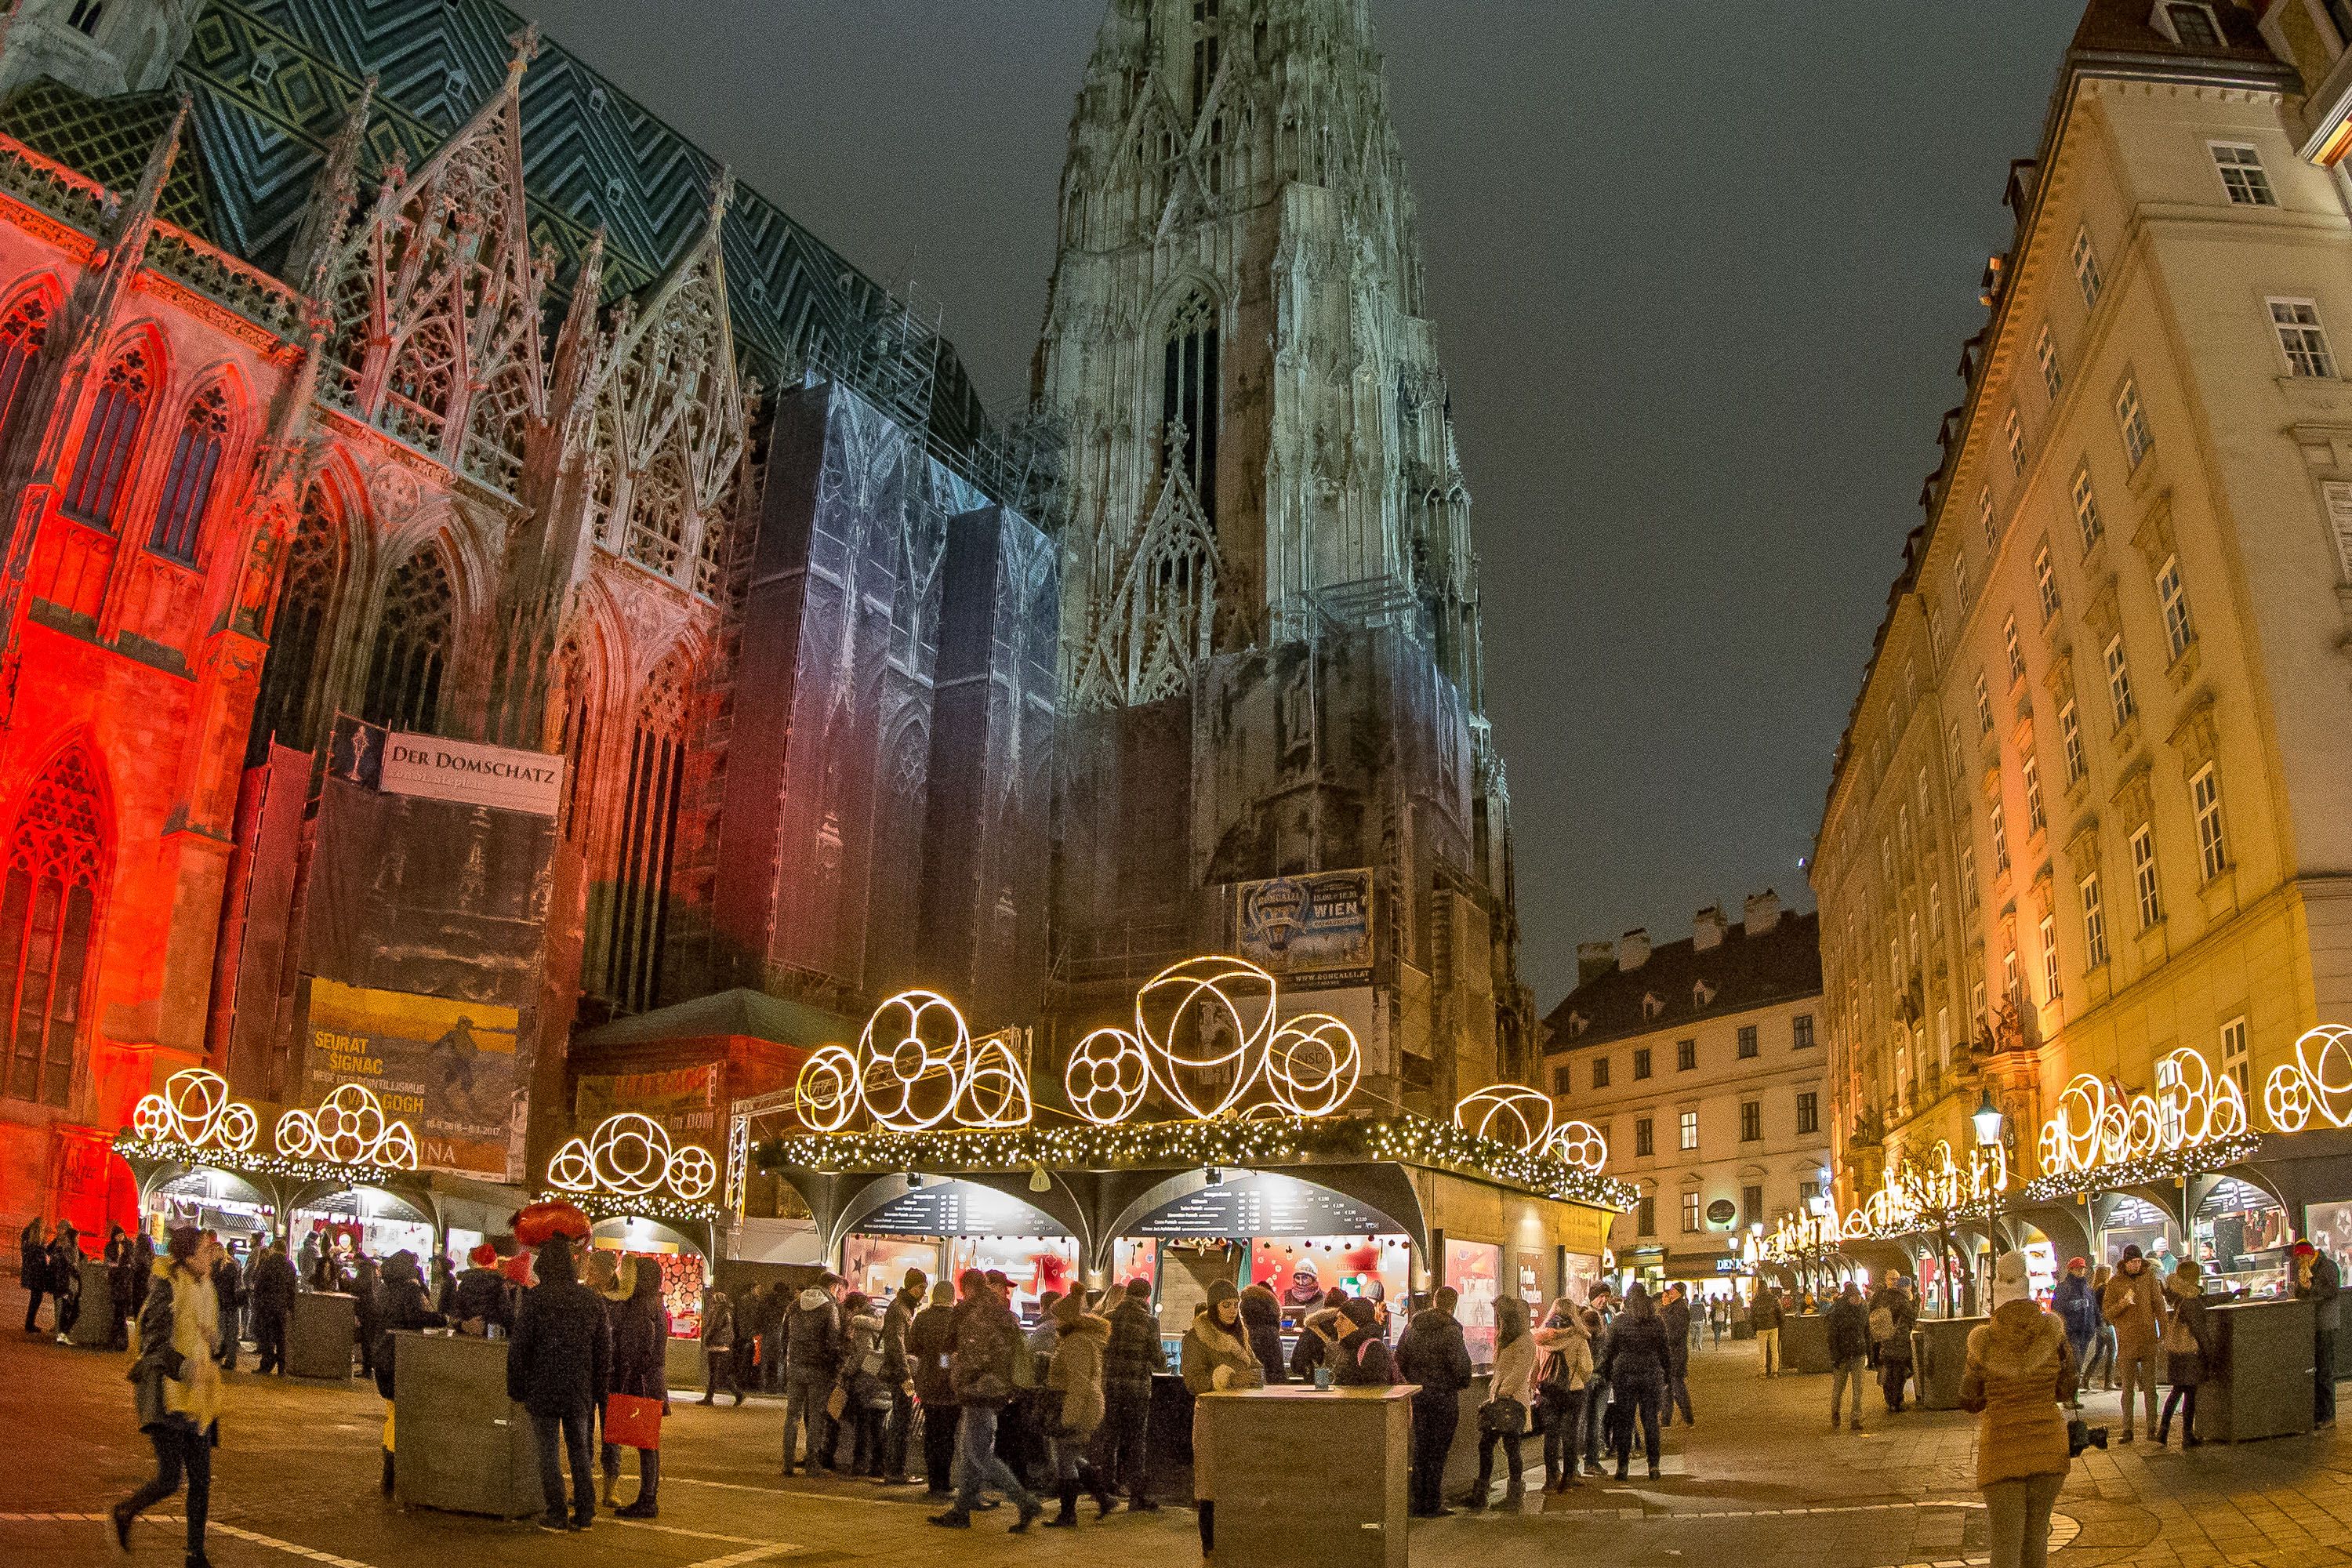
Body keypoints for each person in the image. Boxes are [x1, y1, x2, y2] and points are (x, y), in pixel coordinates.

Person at [111, 1226, 223, 1568]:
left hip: (200, 1398)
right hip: (168, 1394)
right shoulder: (168, 1288)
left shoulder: (207, 1287)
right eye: (205, 1250)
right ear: (188, 1256)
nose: (211, 1256)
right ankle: (125, 1510)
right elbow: (153, 1344)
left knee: (202, 1481)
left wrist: (217, 1342)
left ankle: (195, 1554)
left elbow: (211, 1339)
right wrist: (185, 1367)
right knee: (171, 1478)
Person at [1961, 1251, 2075, 1568]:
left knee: (2006, 1545)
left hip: (2001, 1450)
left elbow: (1969, 1399)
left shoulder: (1983, 1342)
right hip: (2048, 1447)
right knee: (2037, 1539)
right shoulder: (2053, 1333)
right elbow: (2067, 1389)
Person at [508, 1232, 611, 1533]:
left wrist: (517, 1387)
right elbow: (604, 1347)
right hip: (579, 1388)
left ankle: (556, 1512)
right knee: (580, 1449)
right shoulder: (590, 1299)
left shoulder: (536, 1299)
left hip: (543, 1386)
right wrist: (598, 1387)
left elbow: (520, 1347)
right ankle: (585, 1511)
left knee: (548, 1452)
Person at [930, 1267, 1044, 1531]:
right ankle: (961, 1511)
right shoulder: (1004, 1313)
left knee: (978, 1453)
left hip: (974, 1389)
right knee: (973, 1451)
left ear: (965, 1288)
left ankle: (1024, 1501)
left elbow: (947, 1348)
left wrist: (949, 1372)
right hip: (998, 1390)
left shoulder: (967, 1311)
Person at [1176, 1278, 1261, 1552]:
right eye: (1226, 1305)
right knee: (1211, 1484)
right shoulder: (1197, 1337)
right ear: (1214, 1307)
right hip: (1212, 1419)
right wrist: (1229, 1379)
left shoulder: (1240, 1335)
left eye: (1235, 1305)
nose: (1232, 1311)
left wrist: (1255, 1376)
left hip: (1242, 1419)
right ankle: (1210, 1546)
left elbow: (1256, 1367)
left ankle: (1235, 1542)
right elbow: (1193, 1381)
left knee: (1239, 1481)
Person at [1396, 1285, 1475, 1518]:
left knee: (1419, 1448)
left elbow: (1399, 1358)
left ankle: (1415, 1502)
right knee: (1438, 1451)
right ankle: (1431, 1502)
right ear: (1453, 1304)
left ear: (1434, 1301)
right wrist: (1458, 1383)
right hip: (1443, 1398)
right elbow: (1461, 1367)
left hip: (1417, 1397)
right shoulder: (1451, 1330)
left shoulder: (1412, 1326)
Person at [371, 1250, 445, 1493]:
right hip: (400, 1357)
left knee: (392, 1412)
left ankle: (389, 1471)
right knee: (399, 1414)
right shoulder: (410, 1290)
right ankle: (391, 1474)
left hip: (382, 1356)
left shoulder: (384, 1290)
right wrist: (443, 1319)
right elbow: (416, 1318)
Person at [600, 1254, 667, 1518]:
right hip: (648, 1381)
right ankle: (648, 1497)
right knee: (647, 1443)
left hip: (642, 1382)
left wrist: (624, 1375)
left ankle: (648, 1499)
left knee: (646, 1443)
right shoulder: (650, 1303)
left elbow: (637, 1348)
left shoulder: (643, 1306)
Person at [1042, 1286, 1114, 1525]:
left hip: (1078, 1406)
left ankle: (1068, 1513)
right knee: (1071, 1457)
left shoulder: (1076, 1343)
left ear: (1067, 1320)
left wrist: (1068, 1418)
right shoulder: (1078, 1340)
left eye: (1058, 1318)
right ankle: (1103, 1498)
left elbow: (1079, 1385)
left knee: (1064, 1459)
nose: (1055, 1322)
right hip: (1084, 1404)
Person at [1093, 1274, 1163, 1511]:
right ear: (1147, 1296)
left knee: (1109, 1439)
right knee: (1136, 1442)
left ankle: (1104, 1489)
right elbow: (1157, 1358)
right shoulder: (1149, 1322)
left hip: (1110, 1388)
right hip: (1137, 1390)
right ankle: (1137, 1496)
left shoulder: (1108, 1318)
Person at [1462, 1295, 1534, 1510]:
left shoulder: (1524, 1341)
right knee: (1489, 1445)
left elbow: (1519, 1373)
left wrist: (1502, 1392)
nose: (1497, 1320)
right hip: (1500, 1399)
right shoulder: (1508, 1339)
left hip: (1512, 1401)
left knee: (1510, 1447)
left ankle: (1511, 1495)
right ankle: (1484, 1492)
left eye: (1500, 1316)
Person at [1598, 1283, 1671, 1480]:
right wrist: (1667, 1376)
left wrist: (1604, 1374)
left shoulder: (1620, 1323)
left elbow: (1608, 1351)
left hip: (1625, 1377)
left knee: (1624, 1423)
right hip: (1650, 1376)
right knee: (1650, 1423)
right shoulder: (1657, 1322)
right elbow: (1665, 1351)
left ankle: (1622, 1468)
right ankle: (1654, 1467)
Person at [2101, 1244, 2165, 1443]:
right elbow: (2108, 1313)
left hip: (2147, 1339)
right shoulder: (2115, 1283)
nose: (2136, 1265)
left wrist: (2163, 1332)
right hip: (2127, 1341)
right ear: (2125, 1262)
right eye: (2132, 1262)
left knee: (2150, 1388)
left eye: (2138, 1261)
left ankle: (2152, 1427)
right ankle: (2127, 1429)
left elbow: (2159, 1307)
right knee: (2128, 1389)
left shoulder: (2149, 1280)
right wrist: (2123, 1303)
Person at [781, 1273, 844, 1475]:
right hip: (818, 1369)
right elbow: (833, 1341)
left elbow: (784, 1335)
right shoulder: (829, 1307)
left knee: (792, 1416)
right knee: (816, 1416)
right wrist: (834, 1367)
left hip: (795, 1366)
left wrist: (789, 1358)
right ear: (832, 1286)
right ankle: (812, 1464)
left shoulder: (795, 1304)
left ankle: (788, 1464)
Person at [1533, 1298, 1593, 1492]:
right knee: (1570, 1436)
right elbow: (1586, 1368)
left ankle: (1551, 1479)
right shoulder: (1578, 1337)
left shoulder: (1541, 1338)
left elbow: (1535, 1366)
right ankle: (1568, 1479)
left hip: (1548, 1393)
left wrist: (1535, 1385)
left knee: (1550, 1436)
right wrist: (1579, 1379)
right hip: (1572, 1392)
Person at [909, 1279, 960, 1499]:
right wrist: (946, 1366)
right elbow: (950, 1354)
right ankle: (944, 1481)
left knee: (931, 1433)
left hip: (927, 1383)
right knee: (947, 1435)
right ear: (952, 1296)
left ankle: (934, 1481)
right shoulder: (956, 1319)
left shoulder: (922, 1318)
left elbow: (913, 1348)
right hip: (950, 1386)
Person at [2155, 1257, 2209, 1448]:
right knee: (2191, 1394)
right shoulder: (2190, 1299)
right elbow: (2198, 1329)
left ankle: (2163, 1430)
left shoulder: (2179, 1294)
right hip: (2189, 1351)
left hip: (2177, 1350)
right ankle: (2188, 1435)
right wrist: (2208, 1350)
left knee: (2177, 1391)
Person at [878, 1268, 924, 1480]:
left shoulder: (904, 1307)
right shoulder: (900, 1310)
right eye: (921, 1287)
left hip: (899, 1372)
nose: (923, 1292)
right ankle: (896, 1470)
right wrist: (907, 1376)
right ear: (911, 1286)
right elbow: (896, 1345)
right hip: (899, 1374)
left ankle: (894, 1469)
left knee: (901, 1420)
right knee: (901, 1421)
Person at [839, 1290, 890, 1478]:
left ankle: (859, 1464)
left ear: (855, 1308)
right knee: (878, 1425)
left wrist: (848, 1371)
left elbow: (862, 1353)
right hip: (882, 1376)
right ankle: (878, 1465)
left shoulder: (860, 1323)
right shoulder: (883, 1318)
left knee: (862, 1423)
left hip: (866, 1379)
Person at [2296, 1240, 2341, 1429]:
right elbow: (2299, 1293)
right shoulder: (2306, 1269)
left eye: (2300, 1257)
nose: (2299, 1261)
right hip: (2311, 1325)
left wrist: (2310, 1288)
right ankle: (2317, 1415)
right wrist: (2301, 1288)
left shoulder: (2327, 1266)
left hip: (2325, 1324)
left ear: (2307, 1254)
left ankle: (2328, 1416)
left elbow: (2331, 1290)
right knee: (2314, 1371)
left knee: (2324, 1370)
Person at [2049, 1258, 2097, 1407]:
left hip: (2085, 1332)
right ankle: (2069, 1398)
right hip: (2071, 1333)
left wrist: (2094, 1326)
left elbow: (2093, 1309)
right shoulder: (2064, 1289)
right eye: (2078, 1269)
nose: (2081, 1271)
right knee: (2073, 1365)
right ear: (2070, 1270)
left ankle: (2073, 1396)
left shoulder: (2087, 1289)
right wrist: (2064, 1331)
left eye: (2082, 1269)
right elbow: (2057, 1311)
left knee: (2079, 1365)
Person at [1825, 1279, 1871, 1433]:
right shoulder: (1838, 1311)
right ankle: (1835, 1413)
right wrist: (1835, 1356)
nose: (1857, 1300)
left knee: (1859, 1388)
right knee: (1839, 1388)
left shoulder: (1863, 1310)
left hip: (1858, 1353)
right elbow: (1832, 1336)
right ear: (1848, 1297)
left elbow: (1867, 1332)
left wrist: (1869, 1352)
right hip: (1842, 1356)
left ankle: (1856, 1418)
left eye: (1858, 1297)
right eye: (1855, 1297)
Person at [249, 1240, 298, 1376]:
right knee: (280, 1336)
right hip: (281, 1306)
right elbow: (292, 1289)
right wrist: (290, 1307)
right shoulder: (290, 1266)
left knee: (266, 1336)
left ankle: (267, 1363)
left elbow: (259, 1283)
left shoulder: (268, 1263)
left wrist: (257, 1301)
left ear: (274, 1248)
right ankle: (282, 1366)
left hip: (267, 1305)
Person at [1871, 1275, 1918, 1413]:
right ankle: (1896, 1401)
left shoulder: (1884, 1298)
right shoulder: (1902, 1300)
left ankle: (1889, 1399)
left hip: (1885, 1340)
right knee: (1898, 1372)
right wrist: (1916, 1303)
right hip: (1899, 1341)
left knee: (1889, 1370)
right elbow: (1912, 1316)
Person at [1325, 1296, 1393, 1385]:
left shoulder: (1373, 1348)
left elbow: (1376, 1392)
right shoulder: (1348, 1345)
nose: (1336, 1324)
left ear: (1357, 1323)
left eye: (1342, 1319)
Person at [1239, 1282, 1287, 1386]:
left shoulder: (1248, 1331)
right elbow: (1275, 1369)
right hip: (1268, 1390)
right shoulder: (1269, 1331)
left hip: (1256, 1388)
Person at [699, 1282, 737, 1406]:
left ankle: (737, 1394)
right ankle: (709, 1397)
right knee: (719, 1374)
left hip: (717, 1345)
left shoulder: (719, 1311)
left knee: (716, 1373)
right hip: (723, 1345)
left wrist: (707, 1338)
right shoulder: (728, 1311)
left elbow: (714, 1327)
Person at [1661, 1283, 1693, 1426]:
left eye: (1673, 1289)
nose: (1671, 1291)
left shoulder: (1680, 1309)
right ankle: (1666, 1419)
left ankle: (1688, 1417)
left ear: (1680, 1292)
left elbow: (1675, 1333)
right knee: (1667, 1387)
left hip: (1676, 1354)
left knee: (1677, 1386)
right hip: (1671, 1354)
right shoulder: (1673, 1307)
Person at [2084, 1265, 2118, 1391]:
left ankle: (2086, 1379)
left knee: (2099, 1353)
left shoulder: (2095, 1288)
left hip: (2099, 1324)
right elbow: (2106, 1307)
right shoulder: (2104, 1289)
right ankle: (2109, 1382)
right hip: (2106, 1323)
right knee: (2113, 1351)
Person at [49, 1221, 82, 1341]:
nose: (59, 1231)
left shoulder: (71, 1246)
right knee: (64, 1305)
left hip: (63, 1280)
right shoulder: (64, 1246)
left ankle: (60, 1330)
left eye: (62, 1229)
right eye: (59, 1228)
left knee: (64, 1305)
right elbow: (67, 1264)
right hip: (63, 1280)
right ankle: (60, 1331)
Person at [350, 1254, 381, 1378]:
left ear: (359, 1260)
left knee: (367, 1341)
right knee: (368, 1341)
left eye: (354, 1261)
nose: (353, 1264)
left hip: (368, 1310)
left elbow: (361, 1286)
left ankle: (368, 1370)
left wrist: (349, 1283)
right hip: (370, 1309)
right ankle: (368, 1369)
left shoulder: (365, 1268)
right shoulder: (371, 1268)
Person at [17, 1214, 48, 1334]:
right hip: (36, 1274)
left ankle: (29, 1323)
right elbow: (39, 1258)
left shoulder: (27, 1237)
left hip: (30, 1272)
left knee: (35, 1298)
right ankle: (29, 1325)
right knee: (36, 1298)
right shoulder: (35, 1242)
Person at [1750, 1281, 1783, 1377]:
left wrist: (1754, 1328)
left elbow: (1752, 1317)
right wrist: (1780, 1325)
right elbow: (1780, 1313)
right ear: (1767, 1288)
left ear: (1758, 1288)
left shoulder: (1755, 1301)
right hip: (1774, 1327)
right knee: (1774, 1349)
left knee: (1762, 1351)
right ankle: (1775, 1371)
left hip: (1761, 1328)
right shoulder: (1774, 1299)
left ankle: (1763, 1372)